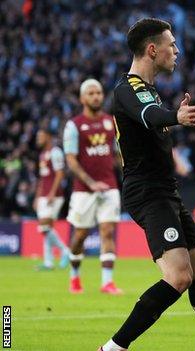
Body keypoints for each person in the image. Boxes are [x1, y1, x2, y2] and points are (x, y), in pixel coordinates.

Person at [99, 18, 195, 351]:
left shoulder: (149, 90)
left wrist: (172, 117)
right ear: (151, 49)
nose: (177, 50)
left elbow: (153, 116)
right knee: (178, 276)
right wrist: (176, 117)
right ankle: (113, 348)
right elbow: (151, 116)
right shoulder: (127, 89)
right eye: (171, 44)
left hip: (165, 190)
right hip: (147, 192)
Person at [63, 79, 122, 294]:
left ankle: (107, 282)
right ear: (82, 98)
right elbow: (71, 160)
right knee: (80, 236)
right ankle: (75, 278)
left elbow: (118, 155)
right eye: (91, 93)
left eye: (98, 93)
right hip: (83, 190)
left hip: (109, 187)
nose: (96, 96)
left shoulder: (110, 122)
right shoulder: (74, 125)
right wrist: (90, 183)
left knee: (107, 232)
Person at [33, 128, 70, 270]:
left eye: (41, 136)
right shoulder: (42, 154)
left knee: (44, 226)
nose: (38, 139)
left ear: (48, 137)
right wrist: (37, 196)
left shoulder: (55, 152)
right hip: (43, 196)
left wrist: (52, 193)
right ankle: (48, 262)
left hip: (54, 196)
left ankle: (65, 251)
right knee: (46, 229)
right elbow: (43, 178)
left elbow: (60, 174)